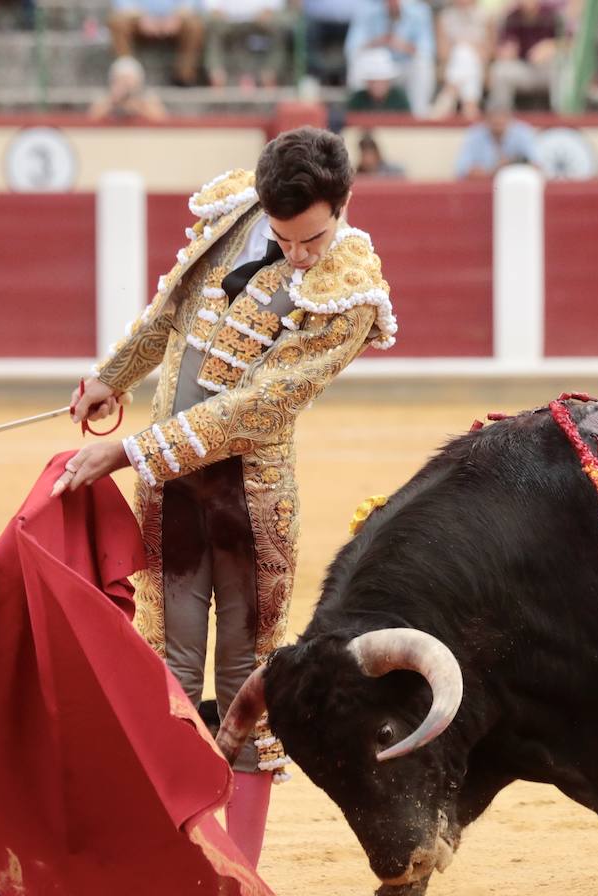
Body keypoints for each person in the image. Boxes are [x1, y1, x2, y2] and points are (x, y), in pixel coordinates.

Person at [55, 128, 397, 801]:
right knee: (167, 661)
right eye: (284, 237)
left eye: (312, 241)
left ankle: (235, 874)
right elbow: (172, 312)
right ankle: (174, 845)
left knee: (248, 683)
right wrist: (112, 377)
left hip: (248, 500)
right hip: (171, 490)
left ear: (344, 203)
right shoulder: (236, 212)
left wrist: (130, 452)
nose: (297, 256)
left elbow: (257, 407)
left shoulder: (351, 291)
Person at [345, 0, 437, 116]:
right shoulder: (366, 10)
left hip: (405, 65)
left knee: (423, 64)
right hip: (375, 67)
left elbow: (427, 51)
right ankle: (356, 113)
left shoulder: (420, 11)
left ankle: (419, 115)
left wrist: (403, 46)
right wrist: (378, 42)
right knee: (357, 63)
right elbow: (352, 48)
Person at [109, 0, 206, 87]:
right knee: (118, 22)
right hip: (138, 20)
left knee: (194, 26)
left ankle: (184, 77)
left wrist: (177, 16)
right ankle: (126, 77)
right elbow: (122, 3)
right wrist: (141, 17)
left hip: (176, 20)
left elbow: (192, 3)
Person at [488, 0, 563, 110]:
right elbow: (504, 48)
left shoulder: (552, 15)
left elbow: (571, 43)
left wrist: (550, 46)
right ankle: (501, 117)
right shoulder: (512, 17)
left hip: (548, 70)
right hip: (524, 69)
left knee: (563, 69)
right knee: (500, 70)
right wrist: (506, 52)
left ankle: (563, 116)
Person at [203, 0, 290, 90]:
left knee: (276, 26)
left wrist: (266, 15)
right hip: (228, 25)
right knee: (215, 27)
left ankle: (270, 73)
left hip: (260, 24)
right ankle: (217, 75)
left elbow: (273, 9)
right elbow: (213, 9)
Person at [433, 0, 494, 118]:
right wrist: (464, 46)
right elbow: (443, 53)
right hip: (453, 62)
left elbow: (489, 51)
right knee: (462, 54)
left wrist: (466, 46)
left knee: (464, 53)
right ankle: (470, 107)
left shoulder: (486, 16)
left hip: (479, 63)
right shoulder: (444, 17)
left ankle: (449, 93)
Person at [455, 100, 538, 177]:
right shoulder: (474, 134)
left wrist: (512, 165)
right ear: (486, 119)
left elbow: (537, 167)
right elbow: (462, 170)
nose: (498, 122)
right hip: (483, 188)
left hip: (516, 185)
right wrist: (493, 172)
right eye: (495, 121)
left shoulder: (523, 132)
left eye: (502, 118)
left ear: (510, 118)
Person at [87, 55, 169, 120]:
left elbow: (162, 120)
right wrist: (113, 101)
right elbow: (90, 119)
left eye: (129, 79)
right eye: (121, 79)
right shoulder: (106, 98)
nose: (125, 84)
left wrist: (138, 106)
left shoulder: (148, 98)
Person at [346, 47, 413, 110]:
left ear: (388, 82)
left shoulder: (399, 99)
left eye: (381, 81)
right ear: (368, 82)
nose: (377, 86)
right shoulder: (357, 100)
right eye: (373, 81)